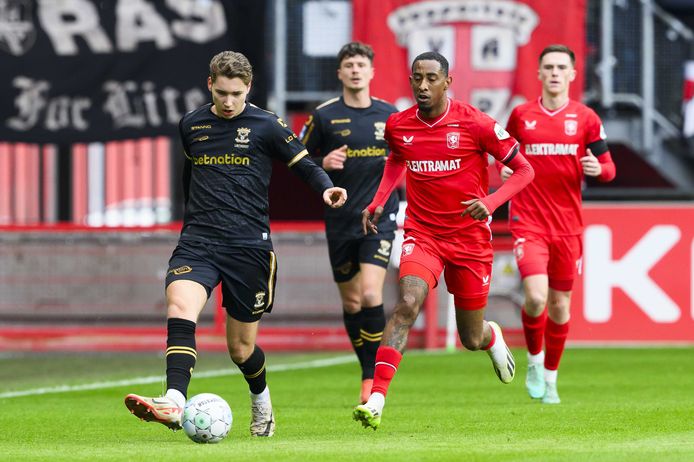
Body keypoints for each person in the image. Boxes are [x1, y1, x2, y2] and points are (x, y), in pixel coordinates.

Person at [124, 51, 347, 437]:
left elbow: (305, 164)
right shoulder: (191, 124)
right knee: (179, 307)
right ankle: (174, 398)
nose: (229, 102)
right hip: (199, 241)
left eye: (237, 94)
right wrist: (190, 223)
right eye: (223, 92)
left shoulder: (267, 125)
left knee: (241, 349)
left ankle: (261, 399)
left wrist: (326, 190)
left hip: (249, 246)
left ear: (249, 88)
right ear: (210, 84)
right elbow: (189, 179)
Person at [352, 51, 535, 430]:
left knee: (470, 336)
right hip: (424, 233)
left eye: (431, 78)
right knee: (406, 303)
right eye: (416, 77)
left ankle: (491, 338)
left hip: (469, 240)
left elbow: (524, 170)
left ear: (447, 81)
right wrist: (379, 200)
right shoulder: (398, 125)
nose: (422, 85)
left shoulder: (476, 123)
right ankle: (378, 399)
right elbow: (397, 159)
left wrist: (490, 202)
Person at [501, 44, 616, 404]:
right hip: (528, 221)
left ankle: (551, 377)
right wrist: (506, 169)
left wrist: (600, 170)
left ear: (572, 74)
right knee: (535, 296)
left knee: (560, 307)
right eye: (547, 66)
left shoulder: (586, 118)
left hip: (568, 226)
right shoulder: (521, 115)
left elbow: (609, 168)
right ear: (539, 73)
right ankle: (534, 361)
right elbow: (504, 156)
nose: (553, 72)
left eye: (560, 67)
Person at [300, 42, 399, 404]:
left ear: (372, 72)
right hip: (339, 220)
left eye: (361, 64)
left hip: (379, 217)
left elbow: (407, 159)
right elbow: (297, 159)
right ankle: (366, 367)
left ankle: (371, 379)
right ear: (340, 73)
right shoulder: (325, 117)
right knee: (353, 302)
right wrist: (322, 162)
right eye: (349, 65)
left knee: (372, 293)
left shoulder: (390, 116)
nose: (356, 70)